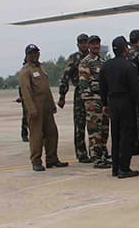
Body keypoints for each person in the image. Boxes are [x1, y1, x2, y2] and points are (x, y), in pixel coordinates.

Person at [99, 36, 139, 179]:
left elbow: (102, 86)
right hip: (126, 102)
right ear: (124, 49)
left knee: (116, 135)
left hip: (113, 102)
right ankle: (124, 168)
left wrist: (104, 104)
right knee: (127, 135)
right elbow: (134, 88)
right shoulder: (129, 66)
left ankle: (115, 168)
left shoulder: (106, 66)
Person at [18, 44, 68, 172]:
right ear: (27, 55)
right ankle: (36, 161)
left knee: (52, 133)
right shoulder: (25, 71)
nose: (34, 55)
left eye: (36, 52)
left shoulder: (40, 68)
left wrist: (52, 105)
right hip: (36, 108)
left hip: (46, 107)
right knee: (36, 136)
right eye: (31, 53)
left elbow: (46, 89)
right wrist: (31, 109)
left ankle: (52, 158)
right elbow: (26, 92)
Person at [78, 35, 111, 169]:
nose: (95, 46)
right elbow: (83, 84)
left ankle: (103, 155)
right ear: (89, 46)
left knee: (104, 130)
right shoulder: (85, 62)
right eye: (93, 44)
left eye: (97, 44)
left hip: (103, 101)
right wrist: (88, 102)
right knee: (94, 132)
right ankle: (96, 158)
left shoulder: (102, 61)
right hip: (92, 101)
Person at [58, 33, 90, 162]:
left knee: (95, 125)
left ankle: (96, 152)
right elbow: (65, 77)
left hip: (93, 93)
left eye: (85, 42)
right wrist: (62, 95)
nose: (84, 45)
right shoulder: (74, 58)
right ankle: (81, 153)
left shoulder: (93, 57)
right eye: (81, 43)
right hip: (80, 93)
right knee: (80, 124)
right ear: (78, 45)